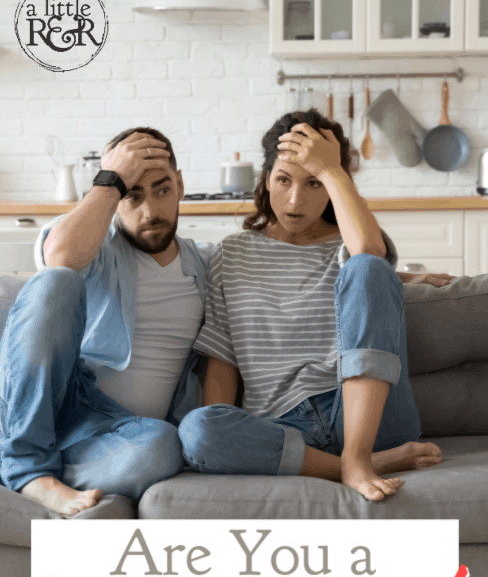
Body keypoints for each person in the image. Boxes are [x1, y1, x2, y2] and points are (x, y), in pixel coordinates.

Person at [178, 108, 452, 502]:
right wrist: (222, 425)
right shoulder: (233, 253)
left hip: (367, 415)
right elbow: (223, 358)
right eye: (283, 179)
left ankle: (358, 457)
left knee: (370, 269)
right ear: (265, 177)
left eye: (314, 183)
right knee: (196, 430)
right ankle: (372, 463)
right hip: (284, 427)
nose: (294, 200)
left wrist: (333, 168)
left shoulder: (352, 243)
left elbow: (369, 256)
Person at [0, 128, 211, 517]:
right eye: (132, 195)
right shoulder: (95, 246)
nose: (150, 211)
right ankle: (28, 466)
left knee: (164, 447)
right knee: (56, 279)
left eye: (162, 190)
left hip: (114, 435)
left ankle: (20, 458)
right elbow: (59, 255)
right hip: (59, 400)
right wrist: (111, 180)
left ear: (180, 184)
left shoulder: (205, 264)